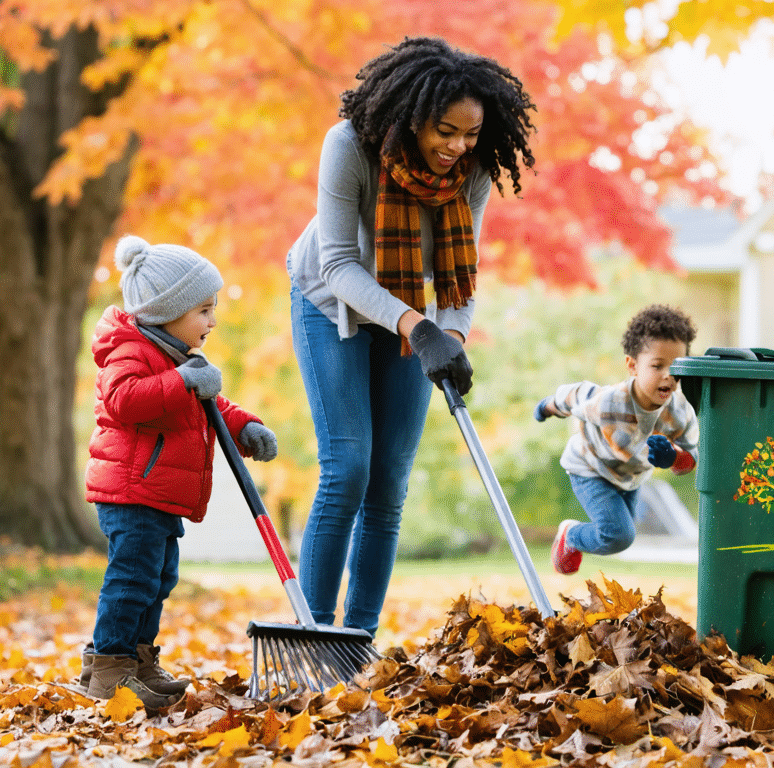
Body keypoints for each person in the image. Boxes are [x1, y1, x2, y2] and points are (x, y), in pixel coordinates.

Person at [286, 37, 536, 636]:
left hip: (413, 313)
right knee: (348, 466)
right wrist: (418, 328)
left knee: (388, 481)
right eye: (445, 131)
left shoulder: (472, 170)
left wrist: (449, 336)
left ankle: (358, 637)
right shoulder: (349, 146)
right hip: (330, 303)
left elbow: (462, 275)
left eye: (470, 135)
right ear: (411, 116)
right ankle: (316, 634)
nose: (458, 147)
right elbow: (338, 265)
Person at [81, 235, 278, 710]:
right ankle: (109, 668)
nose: (213, 320)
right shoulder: (130, 352)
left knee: (159, 578)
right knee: (132, 579)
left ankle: (139, 661)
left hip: (158, 493)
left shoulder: (174, 356)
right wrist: (182, 380)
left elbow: (208, 407)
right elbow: (125, 401)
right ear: (165, 310)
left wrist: (245, 426)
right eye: (204, 310)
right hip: (132, 492)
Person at [535, 305, 700, 574]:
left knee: (621, 533)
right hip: (590, 467)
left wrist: (674, 457)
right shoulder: (611, 402)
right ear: (633, 366)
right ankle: (572, 535)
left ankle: (578, 536)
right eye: (657, 366)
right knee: (619, 535)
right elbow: (577, 395)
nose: (668, 376)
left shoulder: (679, 412)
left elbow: (690, 459)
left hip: (630, 477)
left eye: (676, 367)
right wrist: (549, 406)